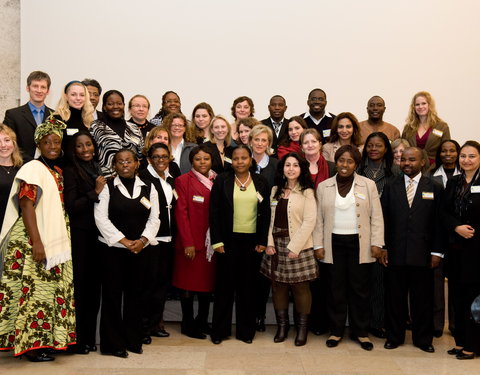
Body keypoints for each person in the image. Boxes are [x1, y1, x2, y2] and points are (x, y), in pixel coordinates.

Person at [0, 114, 75, 361]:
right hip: (34, 238)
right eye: (48, 143)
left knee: (48, 292)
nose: (53, 146)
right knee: (34, 293)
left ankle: (45, 341)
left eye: (57, 142)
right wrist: (38, 242)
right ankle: (32, 346)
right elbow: (26, 205)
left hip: (53, 236)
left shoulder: (54, 169)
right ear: (38, 145)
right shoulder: (33, 168)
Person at [314, 145, 383, 351]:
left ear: (356, 164)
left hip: (359, 244)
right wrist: (318, 244)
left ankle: (360, 332)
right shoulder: (324, 186)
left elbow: (377, 216)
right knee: (336, 289)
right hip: (332, 243)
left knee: (360, 290)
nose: (345, 165)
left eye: (350, 161)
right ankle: (336, 331)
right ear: (336, 162)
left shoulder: (368, 185)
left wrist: (377, 243)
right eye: (341, 160)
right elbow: (318, 219)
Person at [94, 149, 160, 358]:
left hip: (140, 250)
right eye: (120, 162)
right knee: (112, 297)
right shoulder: (107, 187)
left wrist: (141, 241)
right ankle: (112, 344)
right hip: (112, 250)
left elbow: (155, 219)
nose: (124, 165)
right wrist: (125, 241)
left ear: (136, 164)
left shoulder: (149, 187)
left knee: (136, 296)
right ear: (114, 165)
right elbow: (101, 219)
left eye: (128, 161)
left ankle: (133, 340)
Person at [381, 147, 444, 353]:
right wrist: (383, 248)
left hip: (423, 254)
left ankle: (423, 339)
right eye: (403, 160)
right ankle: (394, 336)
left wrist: (437, 252)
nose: (407, 163)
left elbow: (439, 223)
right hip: (396, 252)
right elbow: (384, 220)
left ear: (422, 162)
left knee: (423, 299)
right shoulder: (391, 185)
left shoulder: (434, 186)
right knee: (395, 298)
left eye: (412, 160)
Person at [210, 145, 271, 344]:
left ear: (250, 159)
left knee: (248, 289)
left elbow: (266, 214)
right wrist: (217, 241)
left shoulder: (261, 181)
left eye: (244, 158)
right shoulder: (222, 180)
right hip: (227, 242)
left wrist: (263, 240)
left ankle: (246, 332)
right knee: (224, 288)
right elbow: (215, 212)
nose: (239, 162)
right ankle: (220, 331)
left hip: (252, 243)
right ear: (231, 160)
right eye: (236, 158)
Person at [260, 152, 318, 346]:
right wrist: (269, 242)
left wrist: (295, 247)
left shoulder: (307, 191)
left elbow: (310, 221)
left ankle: (302, 329)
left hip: (298, 245)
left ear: (301, 169)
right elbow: (269, 219)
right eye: (287, 165)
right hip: (276, 245)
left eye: (295, 165)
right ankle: (282, 327)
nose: (291, 168)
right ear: (282, 169)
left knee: (301, 287)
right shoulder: (276, 189)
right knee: (278, 287)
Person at [63, 130, 105, 354]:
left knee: (93, 290)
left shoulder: (97, 167)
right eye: (80, 146)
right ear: (73, 149)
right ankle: (77, 341)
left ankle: (89, 338)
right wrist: (95, 192)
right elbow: (72, 206)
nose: (85, 149)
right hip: (81, 236)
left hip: (98, 236)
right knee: (81, 289)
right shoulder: (71, 171)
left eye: (88, 145)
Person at [172, 145, 217, 339]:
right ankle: (187, 323)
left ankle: (202, 320)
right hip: (190, 245)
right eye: (198, 159)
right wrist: (188, 242)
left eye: (206, 159)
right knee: (188, 286)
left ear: (211, 160)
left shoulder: (218, 180)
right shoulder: (183, 181)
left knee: (207, 286)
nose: (202, 162)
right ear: (192, 161)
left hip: (210, 245)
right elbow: (181, 214)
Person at [442, 141, 480, 360]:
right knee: (457, 298)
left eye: (472, 156)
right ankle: (461, 341)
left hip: (477, 251)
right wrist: (456, 227)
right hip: (456, 250)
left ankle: (473, 344)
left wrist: (470, 232)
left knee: (474, 300)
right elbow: (443, 212)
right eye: (463, 156)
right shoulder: (454, 182)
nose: (466, 160)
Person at [357, 131, 396, 339]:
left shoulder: (394, 173)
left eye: (378, 145)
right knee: (361, 281)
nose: (373, 149)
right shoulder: (358, 170)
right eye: (370, 145)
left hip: (385, 232)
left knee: (380, 281)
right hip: (358, 232)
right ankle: (360, 321)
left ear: (386, 149)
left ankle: (377, 322)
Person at [139, 143, 177, 342]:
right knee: (149, 285)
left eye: (164, 156)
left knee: (162, 285)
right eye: (156, 157)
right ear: (149, 159)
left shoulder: (171, 179)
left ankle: (155, 324)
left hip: (169, 239)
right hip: (152, 241)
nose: (161, 160)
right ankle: (143, 328)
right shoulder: (144, 179)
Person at [248, 124, 278, 331]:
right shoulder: (241, 161)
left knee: (263, 275)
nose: (259, 144)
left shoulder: (276, 165)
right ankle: (247, 314)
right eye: (256, 140)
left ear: (269, 144)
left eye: (263, 140)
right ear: (250, 141)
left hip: (267, 225)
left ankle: (259, 315)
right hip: (244, 224)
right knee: (247, 274)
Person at [430, 139, 461, 336]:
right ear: (439, 154)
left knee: (458, 282)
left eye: (452, 151)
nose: (448, 154)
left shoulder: (467, 176)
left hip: (461, 238)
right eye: (444, 151)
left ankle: (457, 324)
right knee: (436, 284)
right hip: (439, 235)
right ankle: (436, 325)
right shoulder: (430, 176)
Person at [90, 90, 144, 178]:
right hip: (107, 181)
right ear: (104, 107)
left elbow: (141, 156)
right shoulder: (95, 127)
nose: (115, 107)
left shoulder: (134, 128)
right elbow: (92, 157)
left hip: (133, 180)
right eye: (110, 104)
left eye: (119, 103)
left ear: (124, 105)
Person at [3, 71, 53, 161]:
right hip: (21, 166)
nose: (39, 90)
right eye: (35, 86)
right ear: (27, 88)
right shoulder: (13, 115)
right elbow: (9, 144)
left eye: (43, 87)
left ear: (48, 91)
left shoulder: (55, 116)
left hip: (49, 167)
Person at [402, 91, 451, 167]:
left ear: (430, 105)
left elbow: (446, 149)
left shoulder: (442, 127)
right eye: (417, 104)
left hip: (435, 168)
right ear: (413, 107)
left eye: (424, 103)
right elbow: (404, 150)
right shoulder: (408, 128)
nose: (420, 107)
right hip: (412, 168)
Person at [55, 81, 95, 155]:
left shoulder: (88, 119)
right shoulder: (57, 120)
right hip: (63, 165)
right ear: (66, 96)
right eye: (73, 95)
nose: (78, 98)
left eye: (82, 95)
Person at [0, 124, 23, 231]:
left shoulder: (24, 169)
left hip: (19, 228)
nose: (3, 145)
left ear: (14, 143)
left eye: (7, 140)